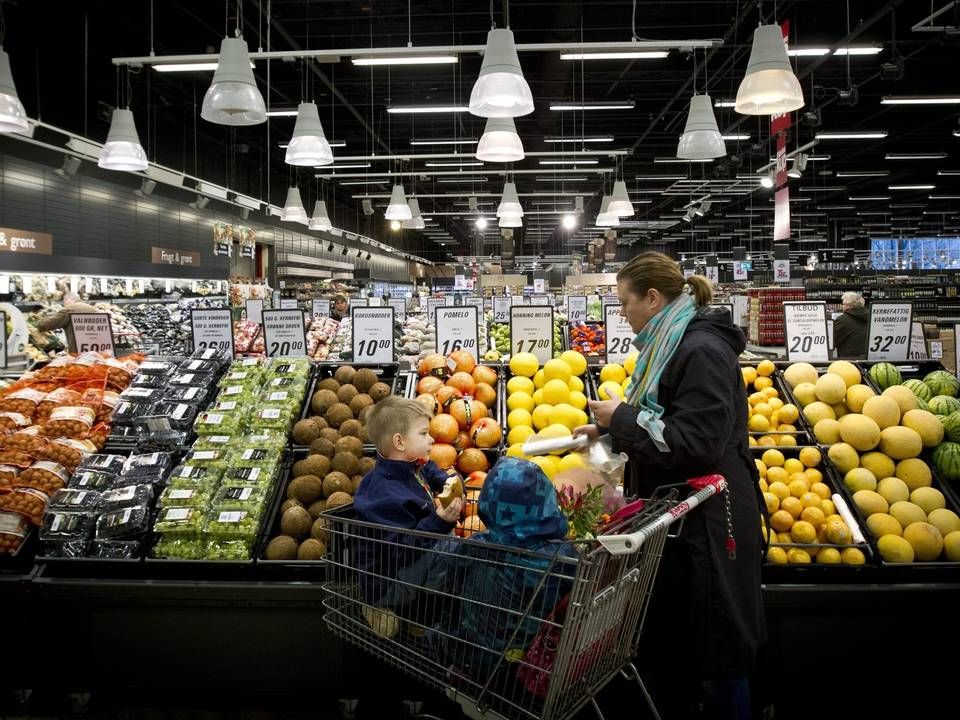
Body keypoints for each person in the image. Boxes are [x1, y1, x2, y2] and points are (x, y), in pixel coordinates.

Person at [573, 252, 765, 720]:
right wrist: (613, 428)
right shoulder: (674, 344)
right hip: (683, 516)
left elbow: (694, 442)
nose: (621, 314)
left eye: (624, 303)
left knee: (719, 651)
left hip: (711, 523)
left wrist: (621, 416)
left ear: (653, 298)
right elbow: (668, 423)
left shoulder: (700, 350)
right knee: (688, 644)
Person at [353, 396, 463, 635]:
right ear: (400, 442)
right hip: (385, 581)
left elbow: (430, 469)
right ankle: (415, 613)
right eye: (424, 434)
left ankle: (425, 602)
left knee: (447, 544)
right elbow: (401, 552)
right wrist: (438, 522)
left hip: (404, 566)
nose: (432, 439)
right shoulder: (385, 498)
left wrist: (446, 482)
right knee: (449, 549)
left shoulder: (409, 465)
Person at [34, 293, 100, 351]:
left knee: (79, 364)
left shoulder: (69, 309)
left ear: (68, 299)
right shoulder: (92, 308)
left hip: (77, 349)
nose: (64, 304)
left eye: (64, 301)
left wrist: (39, 324)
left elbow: (48, 324)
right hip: (94, 347)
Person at [833, 291, 868, 359]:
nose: (842, 306)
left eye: (843, 304)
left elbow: (833, 341)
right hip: (867, 359)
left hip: (849, 361)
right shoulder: (871, 317)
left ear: (848, 306)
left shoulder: (842, 320)